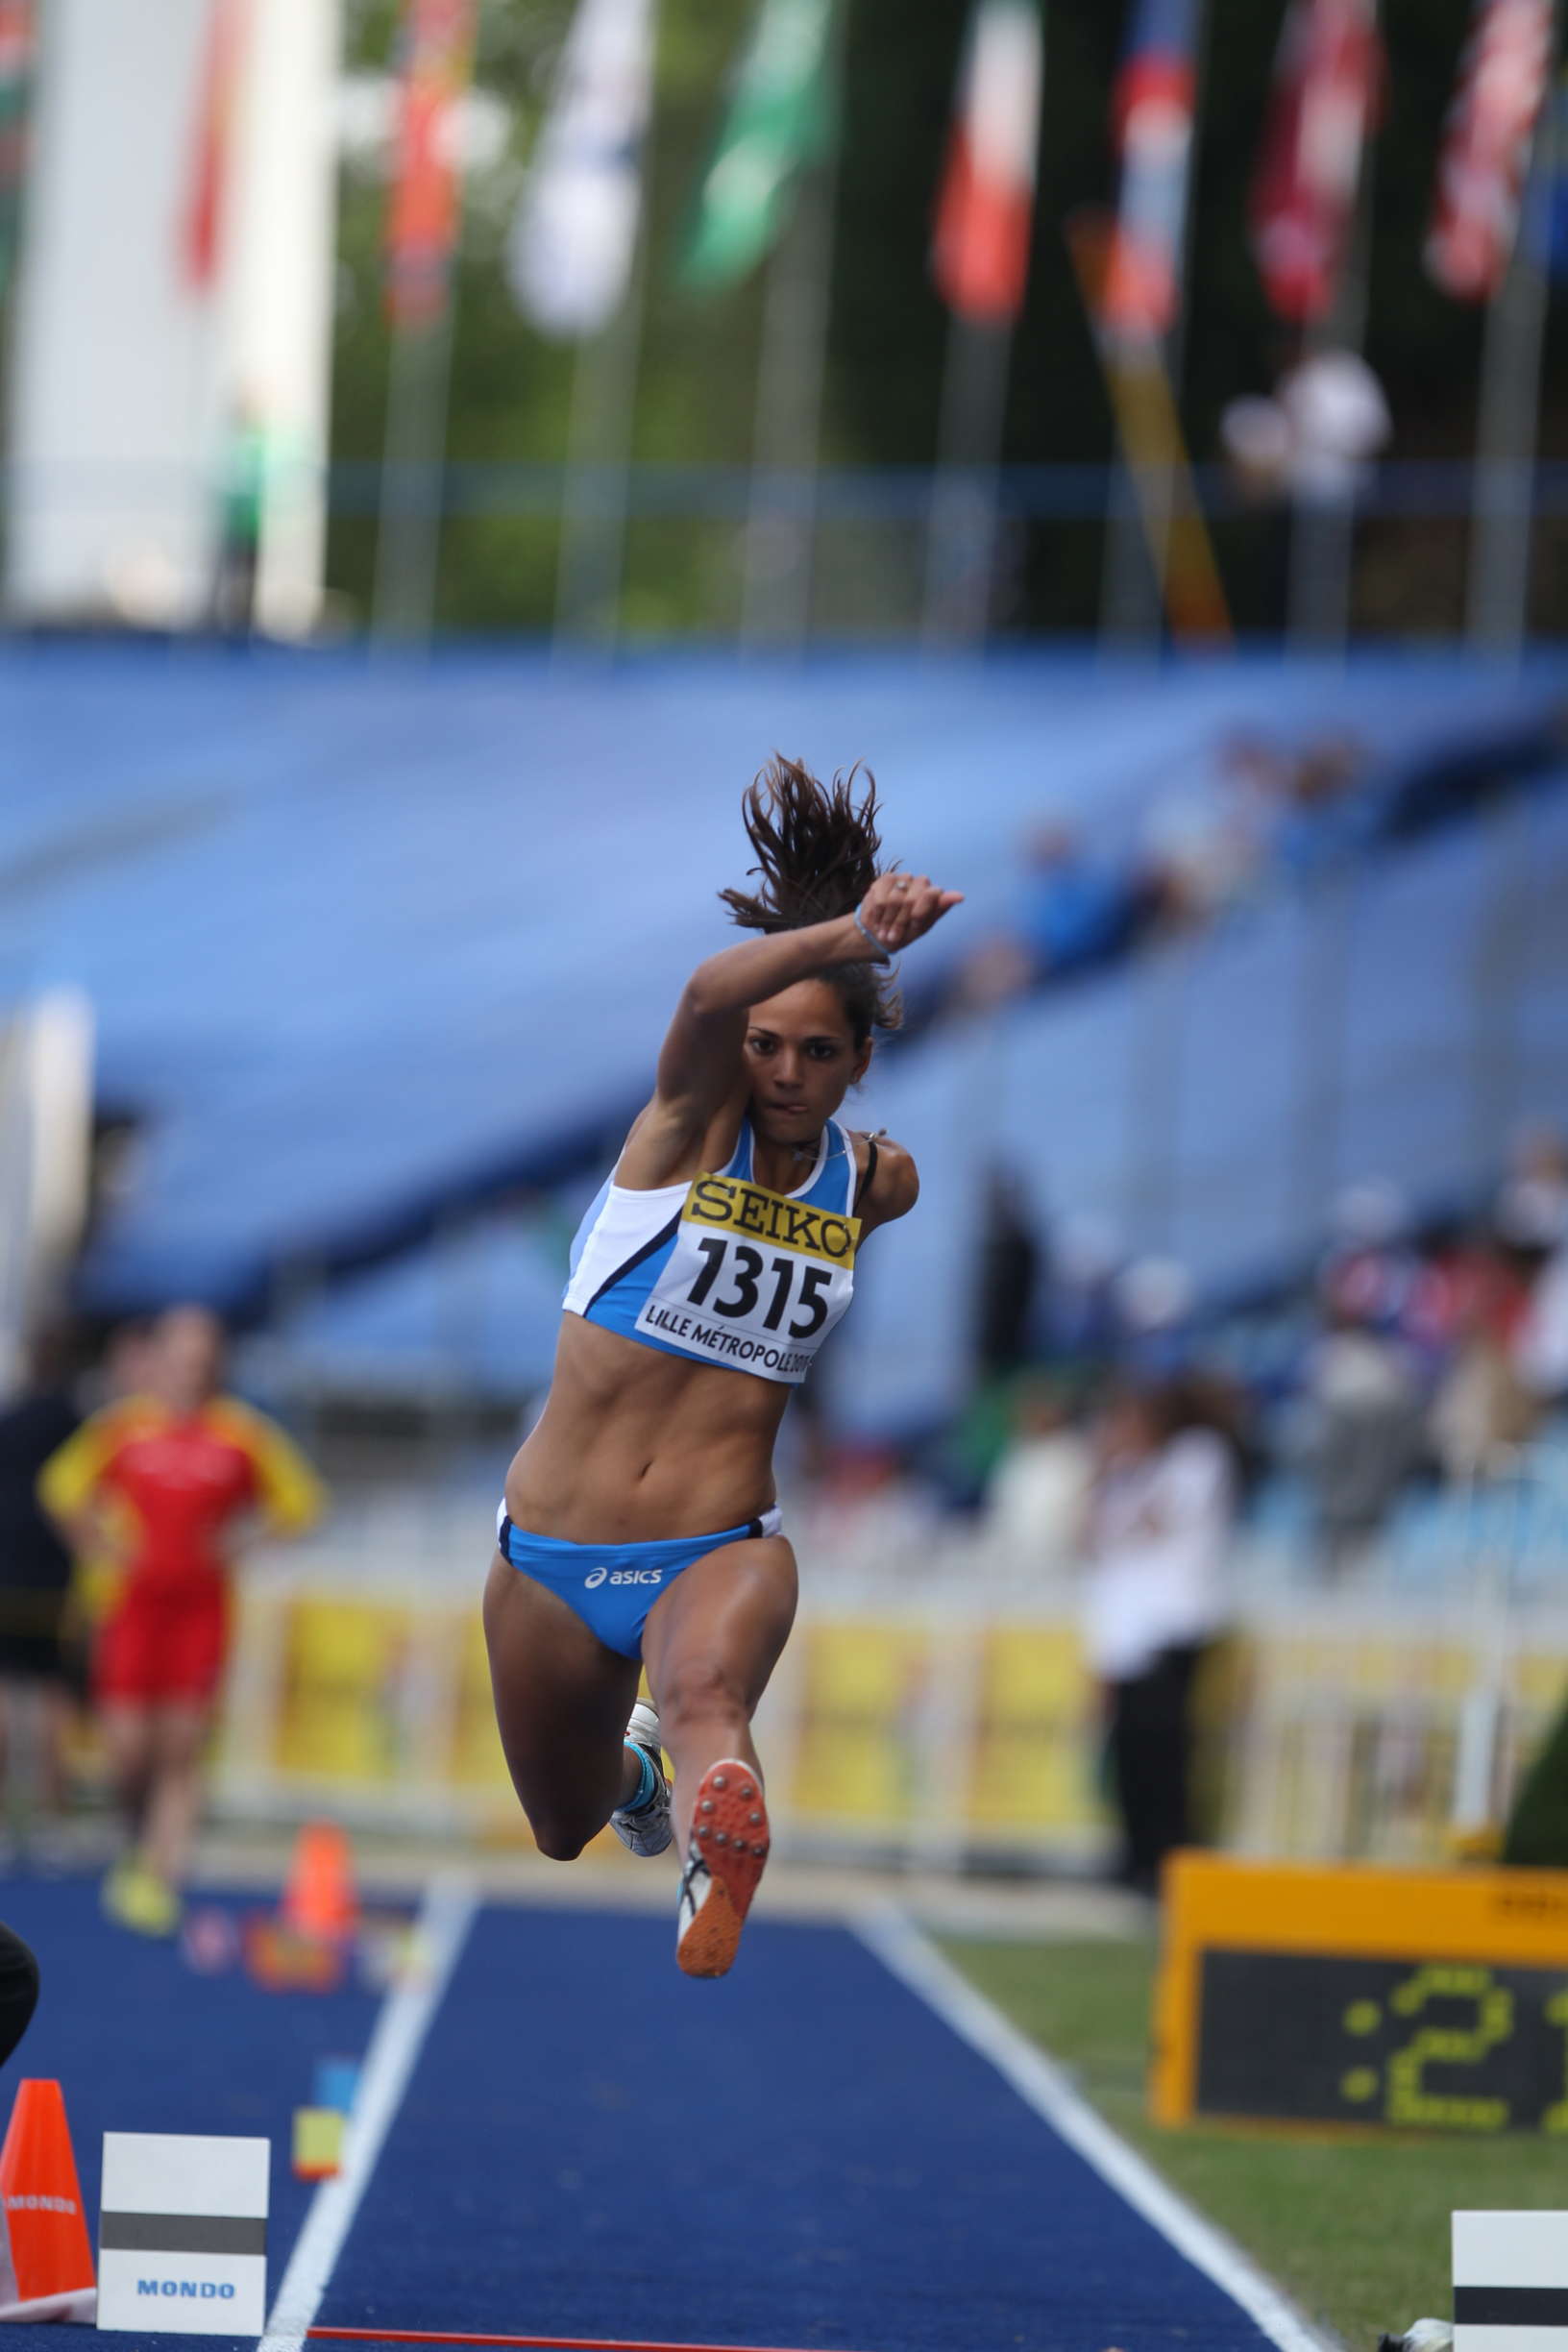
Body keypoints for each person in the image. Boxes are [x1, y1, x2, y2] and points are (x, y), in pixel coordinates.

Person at [483, 760, 961, 1978]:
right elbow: (704, 993)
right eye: (766, 1046)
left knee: (707, 1697)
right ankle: (641, 1783)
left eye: (817, 1050)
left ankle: (714, 1857)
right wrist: (860, 933)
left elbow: (846, 1176)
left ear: (859, 1061)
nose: (787, 1072)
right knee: (562, 1824)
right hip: (552, 1556)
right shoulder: (684, 1136)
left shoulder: (877, 1182)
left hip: (717, 1542)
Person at [38, 1305, 325, 1935]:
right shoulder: (124, 1427)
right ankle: (136, 1843)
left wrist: (242, 1544)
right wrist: (98, 1547)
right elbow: (61, 1490)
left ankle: (161, 1873)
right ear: (161, 1358)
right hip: (132, 1608)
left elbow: (301, 1503)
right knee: (127, 1748)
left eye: (204, 1358)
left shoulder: (240, 1433)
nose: (192, 1369)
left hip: (200, 1610)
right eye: (182, 1356)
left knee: (181, 1746)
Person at [1081, 1378, 1237, 1896]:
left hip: (1172, 1628)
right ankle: (1133, 1853)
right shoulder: (1129, 1473)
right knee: (1128, 1751)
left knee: (1163, 1752)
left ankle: (1168, 1856)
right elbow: (1089, 1536)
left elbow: (1155, 1522)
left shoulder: (1197, 1457)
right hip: (1127, 1637)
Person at [0, 1326, 86, 1850]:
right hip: (55, 1577)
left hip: (6, 1570)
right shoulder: (80, 1427)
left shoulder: (9, 1422)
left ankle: (8, 1814)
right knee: (52, 1692)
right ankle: (52, 1815)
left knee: (6, 1691)